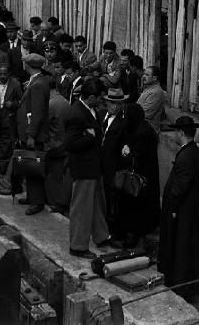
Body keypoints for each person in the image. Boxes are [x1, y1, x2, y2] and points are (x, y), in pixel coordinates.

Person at [158, 116, 199, 297]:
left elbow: (180, 187)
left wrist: (172, 209)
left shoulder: (186, 156)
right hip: (195, 209)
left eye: (176, 132)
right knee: (192, 246)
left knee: (181, 246)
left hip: (184, 211)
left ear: (181, 132)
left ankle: (181, 284)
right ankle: (193, 283)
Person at [62, 78, 111, 259]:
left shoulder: (89, 110)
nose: (102, 100)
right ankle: (78, 245)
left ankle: (101, 236)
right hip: (84, 168)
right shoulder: (76, 114)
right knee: (81, 207)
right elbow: (70, 143)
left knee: (97, 204)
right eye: (99, 97)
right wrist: (89, 137)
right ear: (90, 97)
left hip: (93, 167)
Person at [117, 103, 160, 248]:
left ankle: (139, 241)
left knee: (140, 211)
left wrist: (127, 152)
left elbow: (139, 157)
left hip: (141, 180)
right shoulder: (139, 128)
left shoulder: (143, 133)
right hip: (139, 179)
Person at [16, 53, 50, 215]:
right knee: (29, 167)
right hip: (29, 131)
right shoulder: (37, 81)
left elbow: (37, 113)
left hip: (33, 134)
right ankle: (31, 196)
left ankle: (37, 201)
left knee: (34, 166)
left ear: (28, 65)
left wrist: (31, 135)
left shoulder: (37, 85)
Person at [100, 88, 128, 238]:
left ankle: (112, 230)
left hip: (113, 166)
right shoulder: (101, 116)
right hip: (101, 164)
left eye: (117, 104)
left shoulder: (123, 122)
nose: (113, 107)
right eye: (111, 103)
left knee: (112, 198)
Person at [45, 76, 72, 214]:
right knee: (60, 175)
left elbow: (45, 124)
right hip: (64, 142)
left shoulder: (51, 104)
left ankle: (54, 202)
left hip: (53, 144)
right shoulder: (65, 101)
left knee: (52, 176)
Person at [137, 66, 166, 133]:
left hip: (148, 131)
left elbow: (145, 114)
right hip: (143, 128)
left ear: (155, 78)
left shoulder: (156, 92)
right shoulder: (149, 88)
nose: (143, 76)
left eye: (147, 75)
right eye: (144, 74)